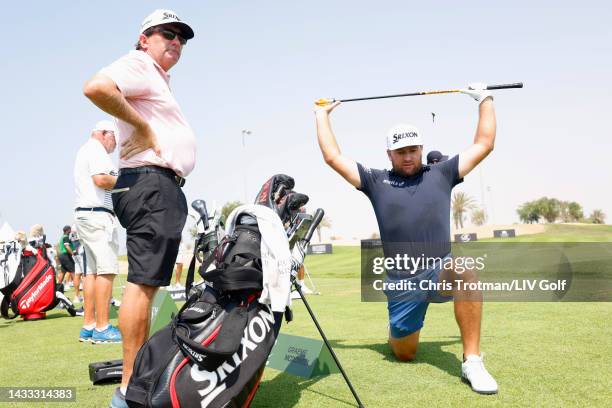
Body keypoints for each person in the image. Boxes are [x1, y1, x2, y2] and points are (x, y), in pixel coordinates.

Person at [314, 83, 499, 394]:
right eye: (401, 152)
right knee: (405, 354)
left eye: (413, 150)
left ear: (421, 149)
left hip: (440, 268)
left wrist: (485, 99)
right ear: (390, 153)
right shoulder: (375, 181)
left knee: (465, 268)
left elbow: (484, 144)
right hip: (402, 280)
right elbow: (333, 157)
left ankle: (472, 361)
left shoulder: (441, 174)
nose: (409, 157)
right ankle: (395, 333)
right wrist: (322, 115)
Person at [83, 9, 196, 407]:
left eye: (181, 37)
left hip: (154, 184)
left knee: (145, 285)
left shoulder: (156, 77)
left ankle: (134, 382)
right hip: (150, 182)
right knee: (142, 285)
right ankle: (130, 389)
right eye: (167, 33)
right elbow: (96, 87)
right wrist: (146, 129)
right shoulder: (140, 64)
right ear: (144, 38)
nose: (176, 41)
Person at [74, 120, 122, 344]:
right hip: (98, 216)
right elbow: (102, 179)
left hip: (86, 215)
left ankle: (89, 325)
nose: (115, 144)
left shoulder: (86, 149)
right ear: (104, 134)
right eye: (114, 139)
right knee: (106, 270)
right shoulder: (97, 150)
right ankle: (103, 328)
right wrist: (125, 183)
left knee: (91, 273)